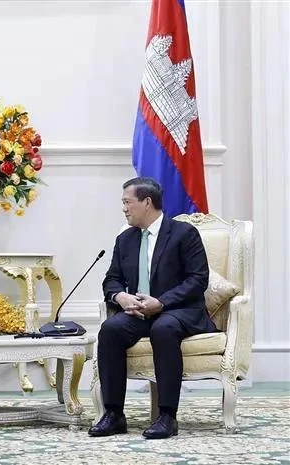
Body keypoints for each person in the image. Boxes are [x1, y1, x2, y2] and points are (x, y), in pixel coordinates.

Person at [89, 176, 216, 440]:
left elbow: (198, 279)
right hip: (138, 311)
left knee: (164, 328)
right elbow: (111, 279)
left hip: (178, 310)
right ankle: (114, 414)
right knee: (110, 329)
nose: (123, 208)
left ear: (147, 202)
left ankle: (167, 416)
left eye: (127, 202)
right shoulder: (126, 239)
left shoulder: (184, 233)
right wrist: (120, 297)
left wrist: (162, 302)